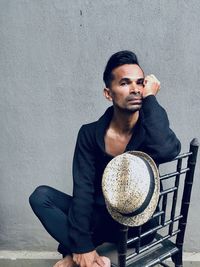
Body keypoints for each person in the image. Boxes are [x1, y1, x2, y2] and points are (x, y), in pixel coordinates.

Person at [29, 50, 181, 267]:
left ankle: (76, 258)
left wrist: (151, 99)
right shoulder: (89, 133)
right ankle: (88, 257)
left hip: (138, 226)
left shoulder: (150, 128)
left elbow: (167, 149)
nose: (135, 89)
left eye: (140, 83)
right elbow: (82, 191)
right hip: (99, 220)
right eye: (125, 83)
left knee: (74, 249)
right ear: (108, 94)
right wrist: (83, 246)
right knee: (41, 196)